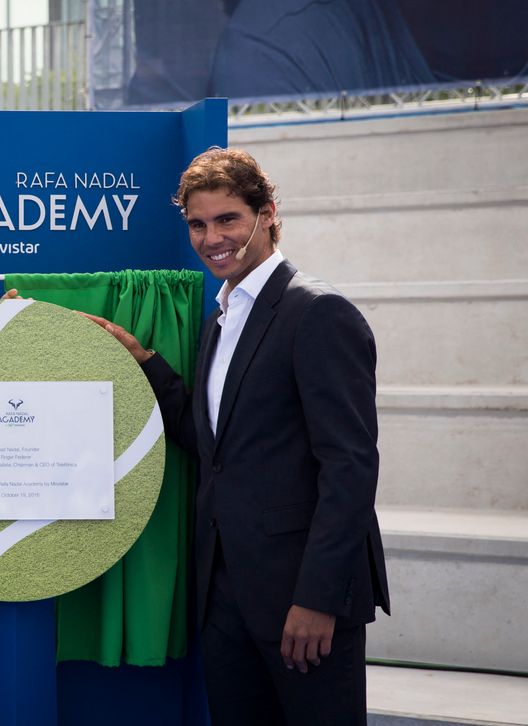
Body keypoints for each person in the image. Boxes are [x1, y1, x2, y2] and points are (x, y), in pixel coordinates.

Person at [85, 148, 389, 725]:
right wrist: (142, 360)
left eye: (228, 220)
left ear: (267, 214)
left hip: (302, 601)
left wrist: (318, 599)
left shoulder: (319, 313)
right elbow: (216, 447)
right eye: (198, 224)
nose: (211, 238)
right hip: (225, 600)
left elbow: (350, 468)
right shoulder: (221, 317)